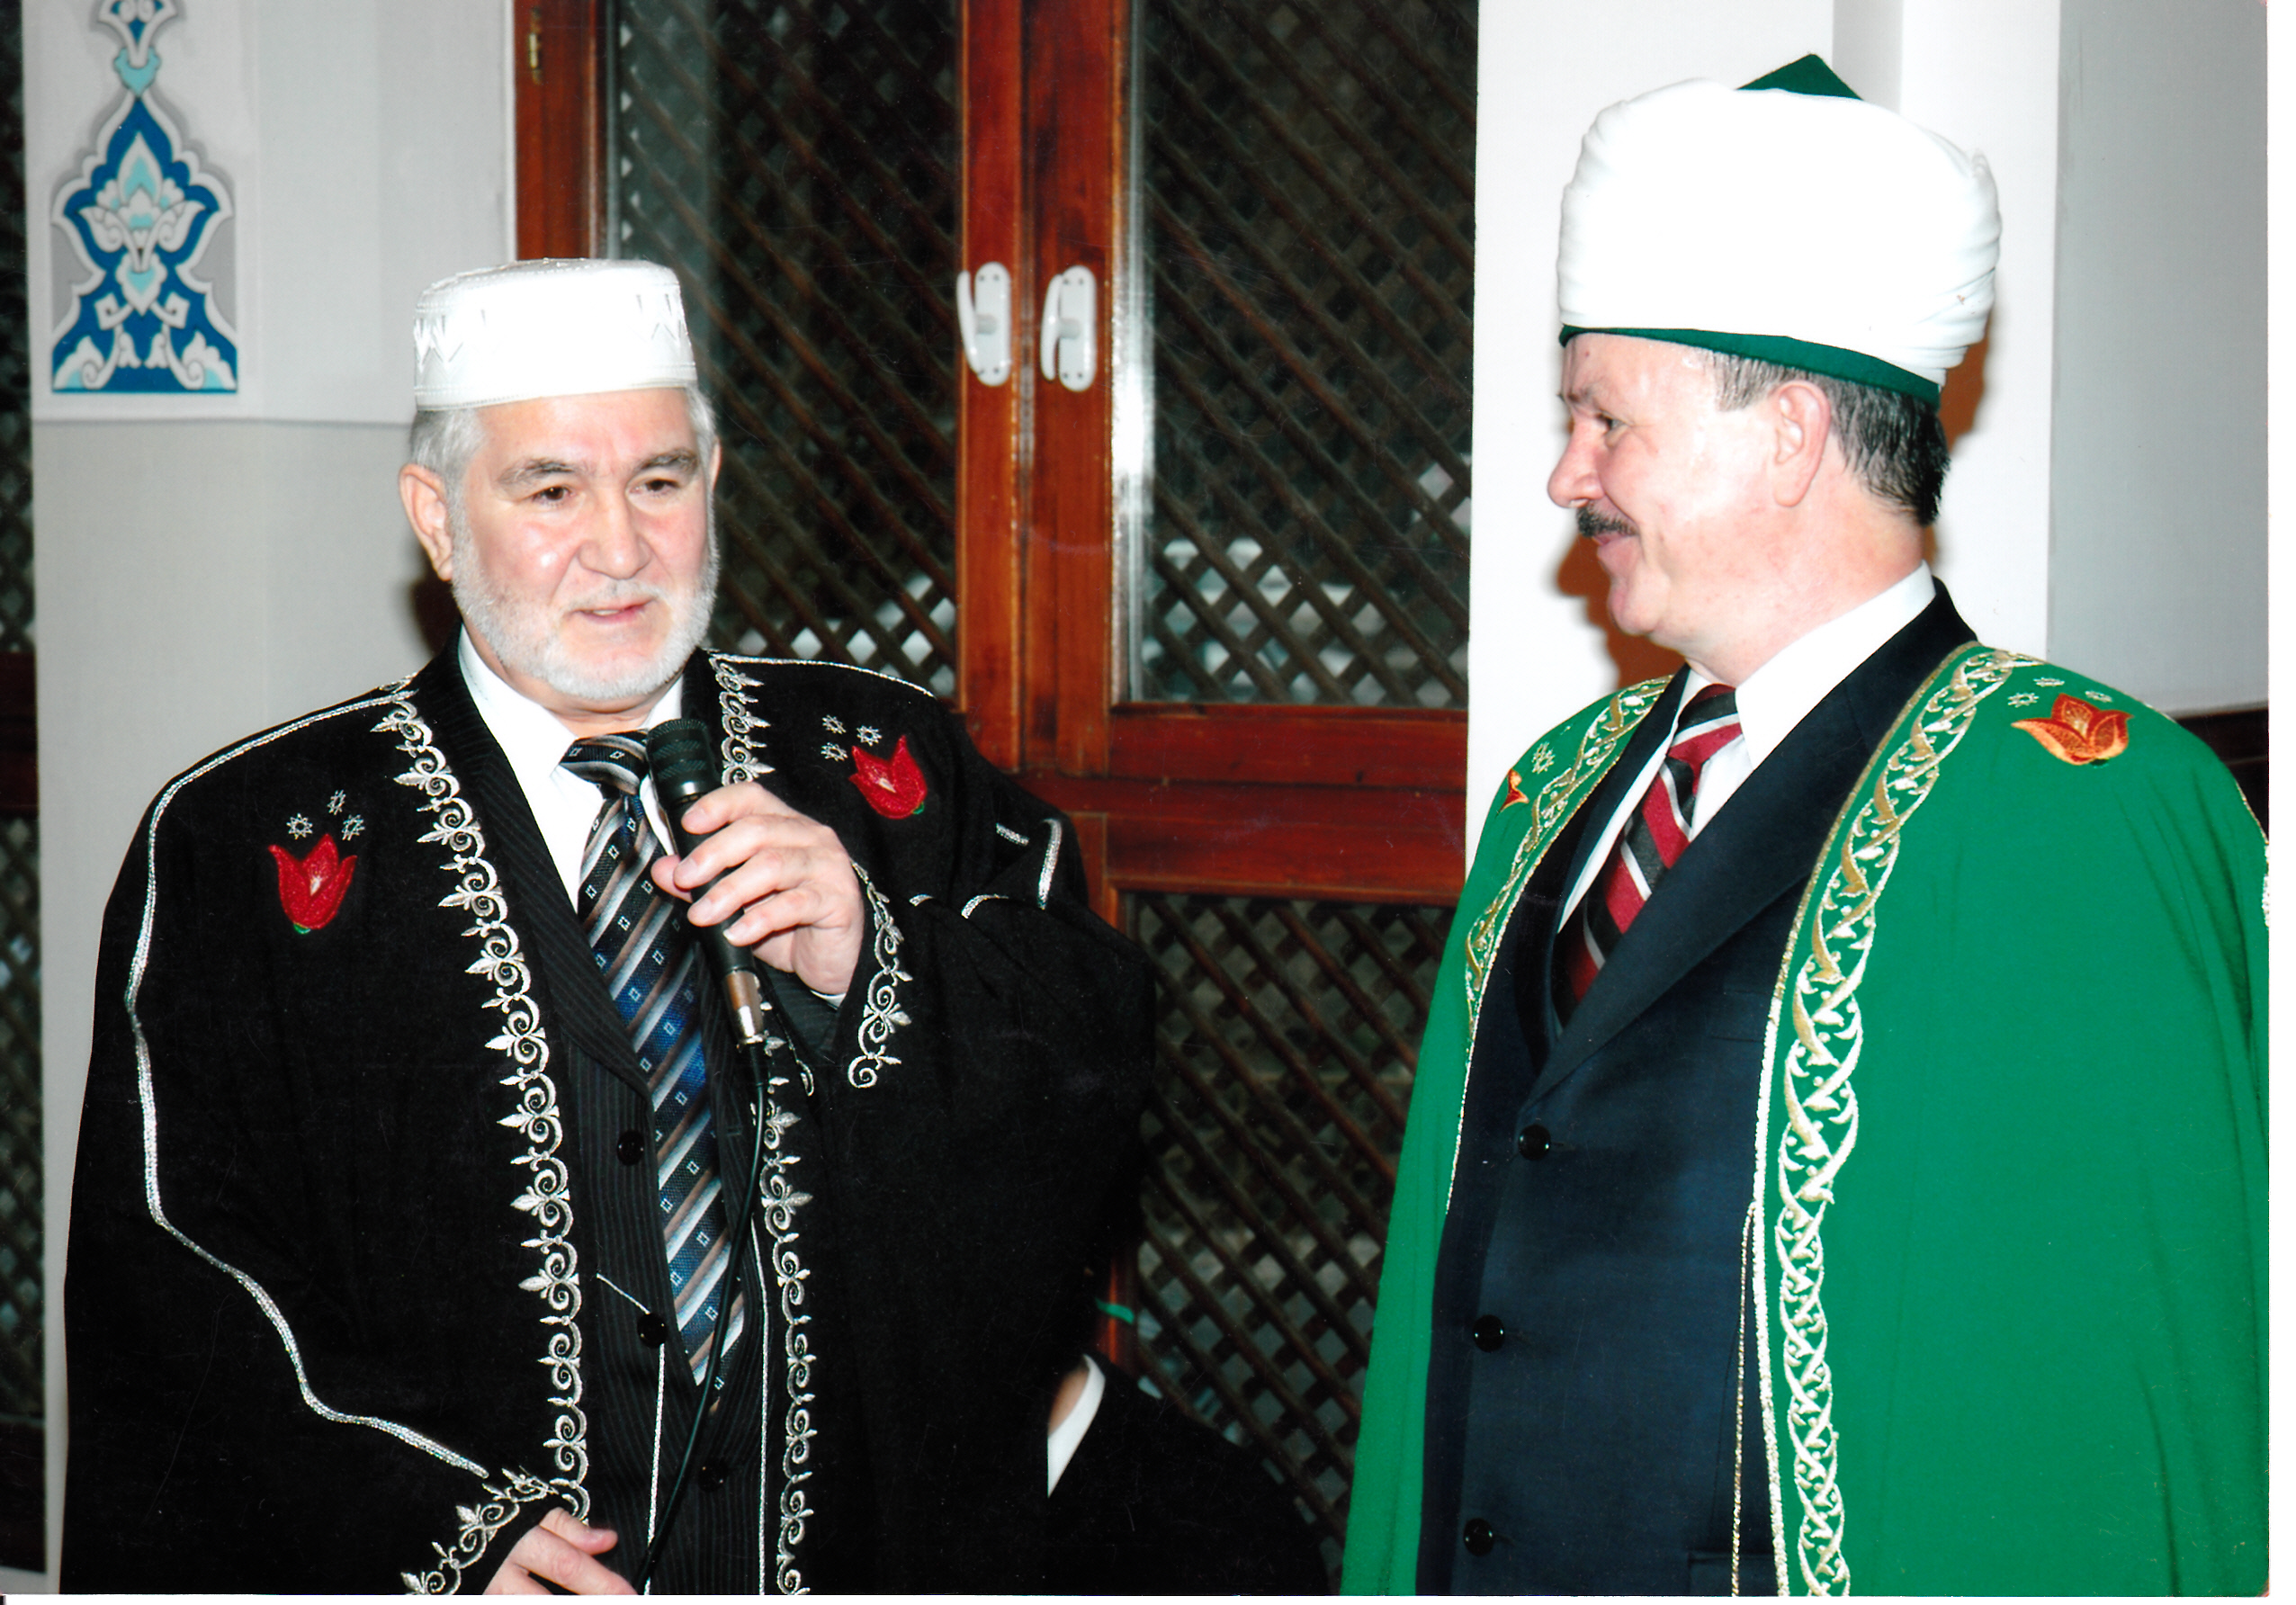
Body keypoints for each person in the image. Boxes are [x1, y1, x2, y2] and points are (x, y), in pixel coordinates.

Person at [62, 258, 1152, 1592]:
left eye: (660, 481)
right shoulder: (250, 842)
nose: (622, 549)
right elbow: (170, 1275)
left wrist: (870, 956)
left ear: (714, 483)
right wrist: (427, 1525)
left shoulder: (886, 762)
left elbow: (1091, 1064)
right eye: (552, 491)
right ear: (438, 520)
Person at [1343, 57, 2265, 1596]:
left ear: (1787, 434)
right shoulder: (1556, 788)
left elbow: (2114, 1424)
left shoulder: (2081, 813)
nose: (1568, 475)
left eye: (1606, 418)